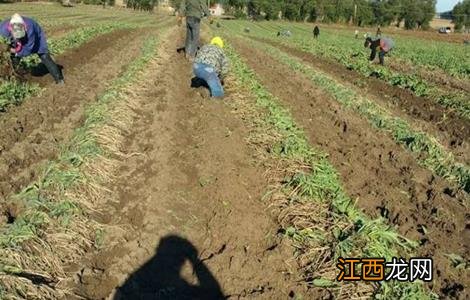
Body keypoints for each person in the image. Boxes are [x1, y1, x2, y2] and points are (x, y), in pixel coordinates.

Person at [0, 13, 64, 84]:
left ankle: (59, 79)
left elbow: (27, 49)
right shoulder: (3, 29)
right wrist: (5, 47)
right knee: (14, 59)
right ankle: (15, 80)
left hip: (35, 37)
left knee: (44, 56)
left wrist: (13, 50)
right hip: (13, 39)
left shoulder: (30, 28)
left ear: (24, 28)